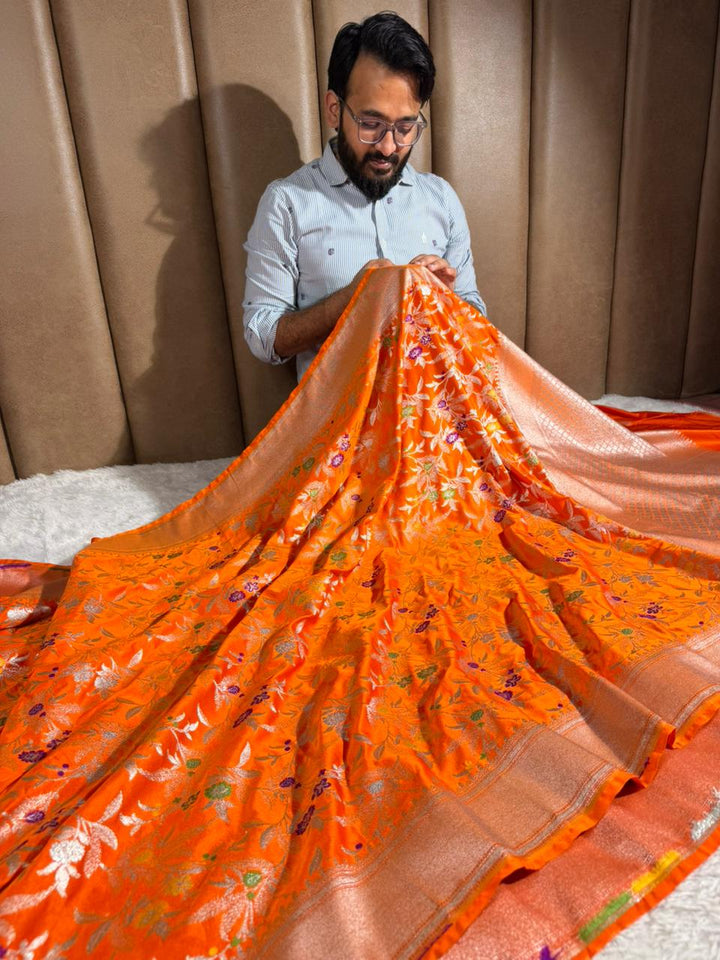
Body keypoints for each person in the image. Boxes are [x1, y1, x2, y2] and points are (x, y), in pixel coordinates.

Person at [242, 11, 487, 382]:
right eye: (371, 124)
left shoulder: (441, 199)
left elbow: (477, 324)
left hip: (437, 420)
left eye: (406, 126)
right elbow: (261, 336)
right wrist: (350, 301)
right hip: (343, 428)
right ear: (334, 110)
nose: (389, 147)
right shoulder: (287, 204)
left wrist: (447, 303)